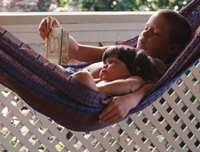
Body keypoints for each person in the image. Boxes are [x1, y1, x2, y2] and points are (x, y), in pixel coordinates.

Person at [38, 9, 191, 124]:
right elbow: (76, 50)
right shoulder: (123, 52)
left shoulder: (154, 68)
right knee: (42, 63)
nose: (144, 34)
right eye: (145, 28)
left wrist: (129, 101)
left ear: (172, 49)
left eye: (155, 33)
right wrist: (54, 30)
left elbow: (151, 87)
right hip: (65, 76)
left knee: (53, 68)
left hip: (83, 94)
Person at [72, 45, 166, 95]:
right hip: (71, 76)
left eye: (112, 62)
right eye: (105, 63)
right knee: (81, 76)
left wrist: (97, 89)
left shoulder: (136, 80)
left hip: (86, 91)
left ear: (135, 70)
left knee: (83, 76)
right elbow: (77, 50)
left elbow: (130, 86)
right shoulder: (108, 79)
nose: (104, 66)